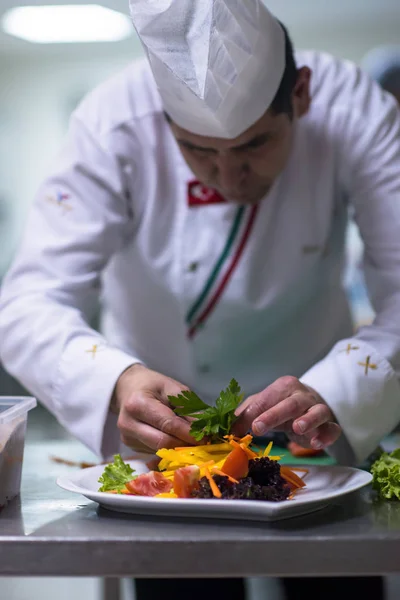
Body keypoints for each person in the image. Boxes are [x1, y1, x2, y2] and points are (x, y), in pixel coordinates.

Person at [0, 1, 398, 598]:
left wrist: (339, 386)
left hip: (313, 421)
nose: (227, 177)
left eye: (254, 146)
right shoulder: (112, 122)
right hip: (166, 438)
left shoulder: (356, 109)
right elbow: (29, 300)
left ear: (303, 95)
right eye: (198, 151)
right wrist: (116, 380)